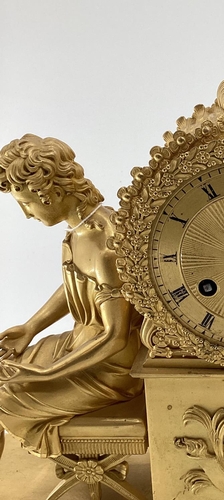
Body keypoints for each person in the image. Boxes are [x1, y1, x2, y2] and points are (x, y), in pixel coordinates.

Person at [0, 134, 143, 458]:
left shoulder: (106, 243)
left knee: (5, 396)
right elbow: (77, 283)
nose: (26, 214)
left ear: (50, 192)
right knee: (6, 367)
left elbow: (116, 337)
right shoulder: (80, 230)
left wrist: (49, 372)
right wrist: (32, 327)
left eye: (26, 203)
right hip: (81, 344)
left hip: (110, 369)